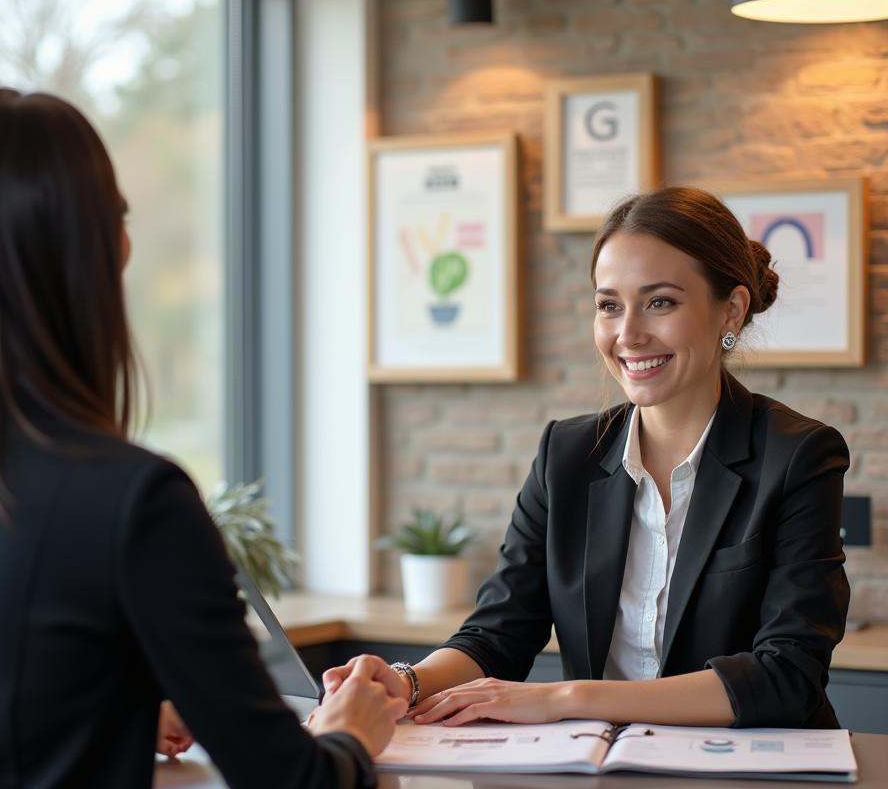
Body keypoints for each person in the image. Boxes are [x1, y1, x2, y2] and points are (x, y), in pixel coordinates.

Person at [0, 89, 406, 789]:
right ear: (94, 254)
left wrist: (93, 708)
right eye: (116, 218)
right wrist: (350, 734)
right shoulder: (133, 500)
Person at [326, 186, 850, 731]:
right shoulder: (566, 456)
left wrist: (563, 698)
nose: (628, 334)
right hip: (606, 777)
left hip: (754, 786)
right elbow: (500, 631)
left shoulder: (798, 455)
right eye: (609, 306)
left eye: (660, 302)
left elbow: (786, 675)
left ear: (731, 310)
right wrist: (406, 681)